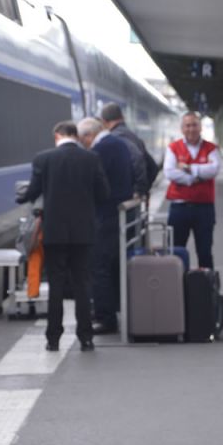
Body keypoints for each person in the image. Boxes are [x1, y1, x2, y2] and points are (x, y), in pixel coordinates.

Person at [16, 121, 110, 352]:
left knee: (56, 284)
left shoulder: (43, 159)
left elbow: (32, 192)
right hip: (83, 232)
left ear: (57, 136)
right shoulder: (91, 159)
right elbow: (104, 194)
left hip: (55, 232)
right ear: (76, 136)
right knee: (82, 284)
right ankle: (86, 338)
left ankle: (53, 339)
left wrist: (21, 196)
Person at [77, 117, 134, 335]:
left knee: (99, 267)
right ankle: (111, 310)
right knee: (111, 266)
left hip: (105, 215)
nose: (84, 145)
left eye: (83, 141)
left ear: (88, 136)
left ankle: (105, 318)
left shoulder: (101, 150)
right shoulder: (118, 144)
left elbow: (96, 185)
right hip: (117, 214)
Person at [164, 112, 220, 268]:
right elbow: (169, 172)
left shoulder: (211, 148)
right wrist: (194, 178)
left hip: (204, 208)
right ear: (182, 128)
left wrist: (188, 168)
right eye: (187, 125)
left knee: (205, 252)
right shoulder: (173, 148)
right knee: (176, 250)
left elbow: (214, 169)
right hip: (179, 208)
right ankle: (177, 288)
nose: (191, 129)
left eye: (194, 125)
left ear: (200, 127)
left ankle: (206, 290)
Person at [100, 102, 159, 196]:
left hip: (124, 200)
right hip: (132, 200)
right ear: (122, 117)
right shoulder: (134, 137)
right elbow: (153, 168)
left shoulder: (114, 139)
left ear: (104, 122)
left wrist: (138, 190)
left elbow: (137, 157)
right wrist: (144, 189)